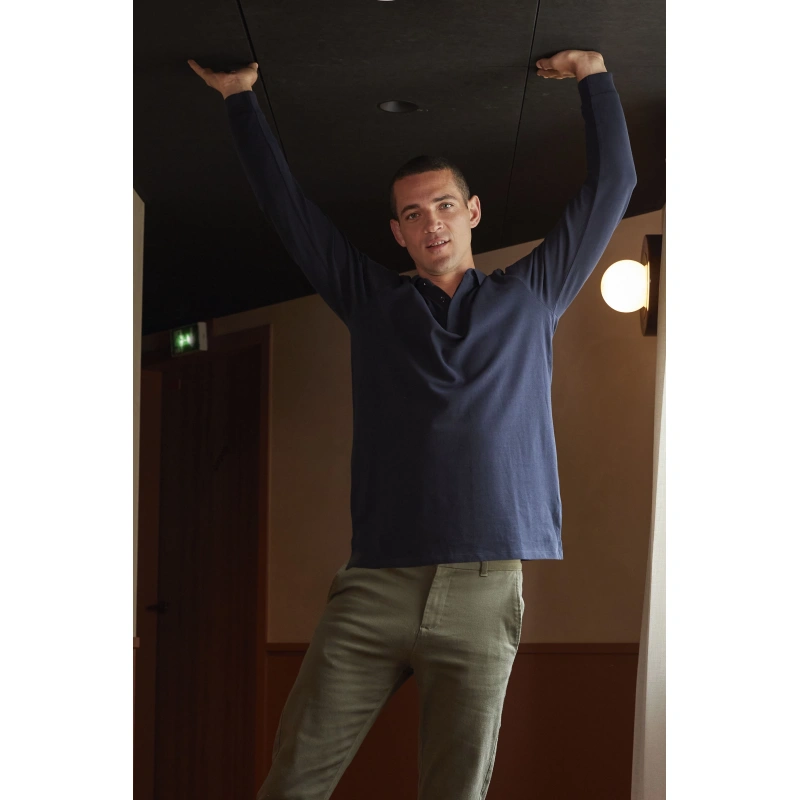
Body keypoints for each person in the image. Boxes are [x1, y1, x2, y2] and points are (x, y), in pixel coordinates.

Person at [189, 49, 635, 800]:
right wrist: (239, 99)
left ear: (473, 212)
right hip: (376, 585)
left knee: (454, 791)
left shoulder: (532, 296)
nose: (432, 224)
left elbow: (613, 185)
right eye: (413, 215)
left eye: (444, 206)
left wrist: (594, 76)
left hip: (484, 587)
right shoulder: (372, 303)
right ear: (397, 232)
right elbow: (290, 211)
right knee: (293, 780)